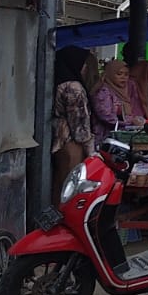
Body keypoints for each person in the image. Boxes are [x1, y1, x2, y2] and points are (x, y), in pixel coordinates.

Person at [51, 46, 95, 193]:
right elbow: (80, 125)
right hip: (71, 142)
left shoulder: (57, 82)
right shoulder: (73, 87)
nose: (85, 68)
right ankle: (64, 215)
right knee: (69, 185)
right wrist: (91, 151)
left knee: (60, 182)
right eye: (83, 64)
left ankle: (57, 214)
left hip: (59, 139)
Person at [92, 59, 143, 139]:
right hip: (105, 137)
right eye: (119, 74)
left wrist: (139, 120)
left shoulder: (128, 89)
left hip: (123, 135)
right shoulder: (103, 91)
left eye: (126, 74)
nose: (123, 77)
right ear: (110, 74)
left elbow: (135, 110)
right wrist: (131, 121)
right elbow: (106, 116)